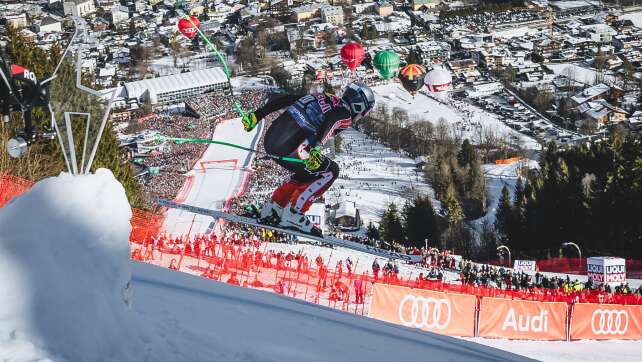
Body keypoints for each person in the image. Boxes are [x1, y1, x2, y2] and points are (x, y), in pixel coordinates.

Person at [241, 82, 375, 234]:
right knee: (331, 171)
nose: (361, 116)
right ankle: (294, 214)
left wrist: (258, 114)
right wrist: (317, 147)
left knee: (308, 172)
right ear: (359, 106)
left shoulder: (323, 97)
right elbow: (332, 119)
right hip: (289, 147)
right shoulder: (345, 114)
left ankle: (274, 208)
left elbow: (288, 99)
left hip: (271, 141)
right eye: (365, 111)